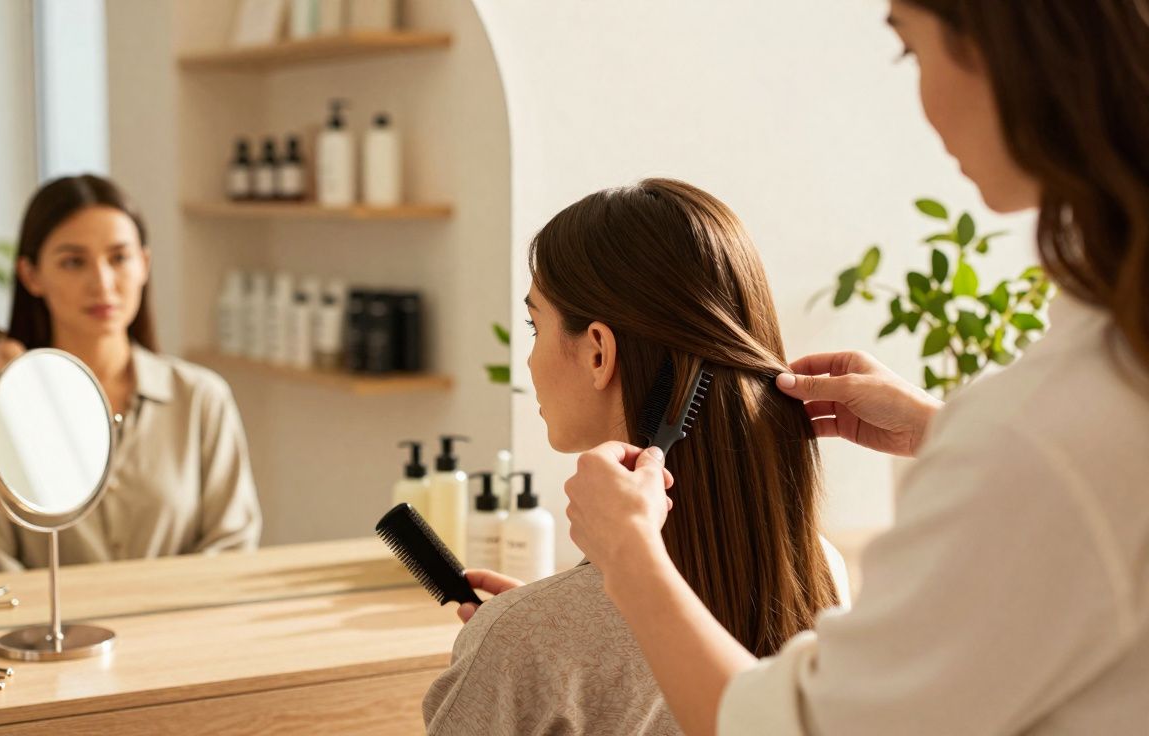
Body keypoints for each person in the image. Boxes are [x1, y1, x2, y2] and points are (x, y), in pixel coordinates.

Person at [556, 2, 1149, 734]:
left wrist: (630, 560)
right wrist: (949, 434)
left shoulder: (1042, 439)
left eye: (910, 52)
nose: (922, 103)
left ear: (1006, 53)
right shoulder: (1084, 410)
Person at [423, 179, 851, 735]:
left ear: (599, 351)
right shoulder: (817, 568)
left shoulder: (521, 641)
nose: (527, 360)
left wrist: (526, 639)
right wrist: (545, 626)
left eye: (535, 325)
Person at [0, 174, 262, 574]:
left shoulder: (201, 399)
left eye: (119, 258)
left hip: (185, 632)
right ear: (31, 276)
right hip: (48, 636)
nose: (103, 283)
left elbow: (232, 546)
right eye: (74, 262)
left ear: (144, 264)